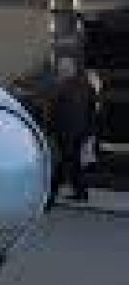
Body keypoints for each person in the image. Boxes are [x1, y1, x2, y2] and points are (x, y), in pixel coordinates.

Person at [47, 57, 98, 207]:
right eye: (60, 68)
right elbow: (93, 110)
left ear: (71, 69)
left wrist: (50, 129)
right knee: (74, 163)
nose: (60, 71)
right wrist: (90, 131)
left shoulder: (62, 87)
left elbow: (55, 112)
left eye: (62, 69)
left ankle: (50, 196)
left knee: (61, 163)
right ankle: (80, 192)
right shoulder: (86, 86)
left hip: (67, 132)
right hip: (78, 132)